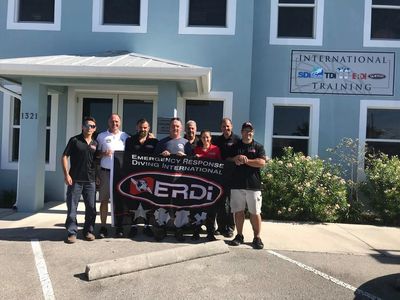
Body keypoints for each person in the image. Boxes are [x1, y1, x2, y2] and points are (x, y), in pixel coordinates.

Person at [154, 117, 193, 241]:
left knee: (180, 206)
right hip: (164, 180)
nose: (175, 128)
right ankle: (161, 228)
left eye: (177, 126)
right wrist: (161, 156)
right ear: (169, 128)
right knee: (162, 204)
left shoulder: (186, 143)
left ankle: (179, 229)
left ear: (181, 128)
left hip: (180, 180)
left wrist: (185, 157)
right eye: (173, 126)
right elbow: (153, 161)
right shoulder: (161, 142)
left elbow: (193, 161)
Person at [229, 122, 266, 250]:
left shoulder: (258, 146)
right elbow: (227, 160)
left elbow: (261, 162)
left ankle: (257, 238)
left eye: (250, 130)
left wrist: (246, 161)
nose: (248, 133)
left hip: (253, 185)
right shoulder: (235, 146)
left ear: (253, 132)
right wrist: (235, 158)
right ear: (241, 132)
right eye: (245, 130)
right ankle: (239, 236)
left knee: (255, 213)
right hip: (237, 184)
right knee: (238, 212)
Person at [61, 117, 98, 244]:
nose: (90, 128)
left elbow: (96, 160)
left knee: (91, 208)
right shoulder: (74, 140)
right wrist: (66, 174)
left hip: (90, 180)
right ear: (82, 127)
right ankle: (72, 232)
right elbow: (64, 156)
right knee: (72, 207)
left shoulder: (95, 142)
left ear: (95, 129)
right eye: (87, 125)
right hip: (75, 179)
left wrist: (97, 177)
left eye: (92, 126)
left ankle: (88, 231)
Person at [96, 113, 129, 238]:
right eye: (112, 121)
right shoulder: (101, 136)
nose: (114, 124)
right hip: (105, 172)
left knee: (119, 201)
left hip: (120, 174)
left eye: (116, 121)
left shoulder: (125, 136)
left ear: (119, 123)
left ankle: (118, 226)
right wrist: (103, 153)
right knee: (104, 201)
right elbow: (95, 155)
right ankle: (103, 226)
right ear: (108, 122)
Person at [124, 118, 158, 238]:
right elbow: (126, 157)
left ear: (148, 128)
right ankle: (133, 227)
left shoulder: (154, 141)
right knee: (133, 202)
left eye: (145, 127)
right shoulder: (130, 140)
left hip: (149, 178)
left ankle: (147, 227)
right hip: (134, 177)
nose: (143, 129)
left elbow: (157, 159)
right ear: (136, 127)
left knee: (148, 202)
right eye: (140, 127)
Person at [213, 117, 240, 237]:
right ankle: (220, 226)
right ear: (220, 128)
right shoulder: (217, 141)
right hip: (220, 176)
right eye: (223, 126)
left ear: (232, 126)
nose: (226, 128)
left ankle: (230, 227)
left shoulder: (237, 140)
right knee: (220, 202)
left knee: (231, 203)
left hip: (234, 176)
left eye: (228, 126)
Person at [193, 129, 222, 241]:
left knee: (211, 209)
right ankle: (196, 231)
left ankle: (210, 232)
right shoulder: (197, 149)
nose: (206, 139)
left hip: (212, 184)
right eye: (204, 137)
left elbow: (220, 165)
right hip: (199, 184)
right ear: (200, 138)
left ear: (211, 138)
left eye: (208, 137)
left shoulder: (215, 149)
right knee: (197, 209)